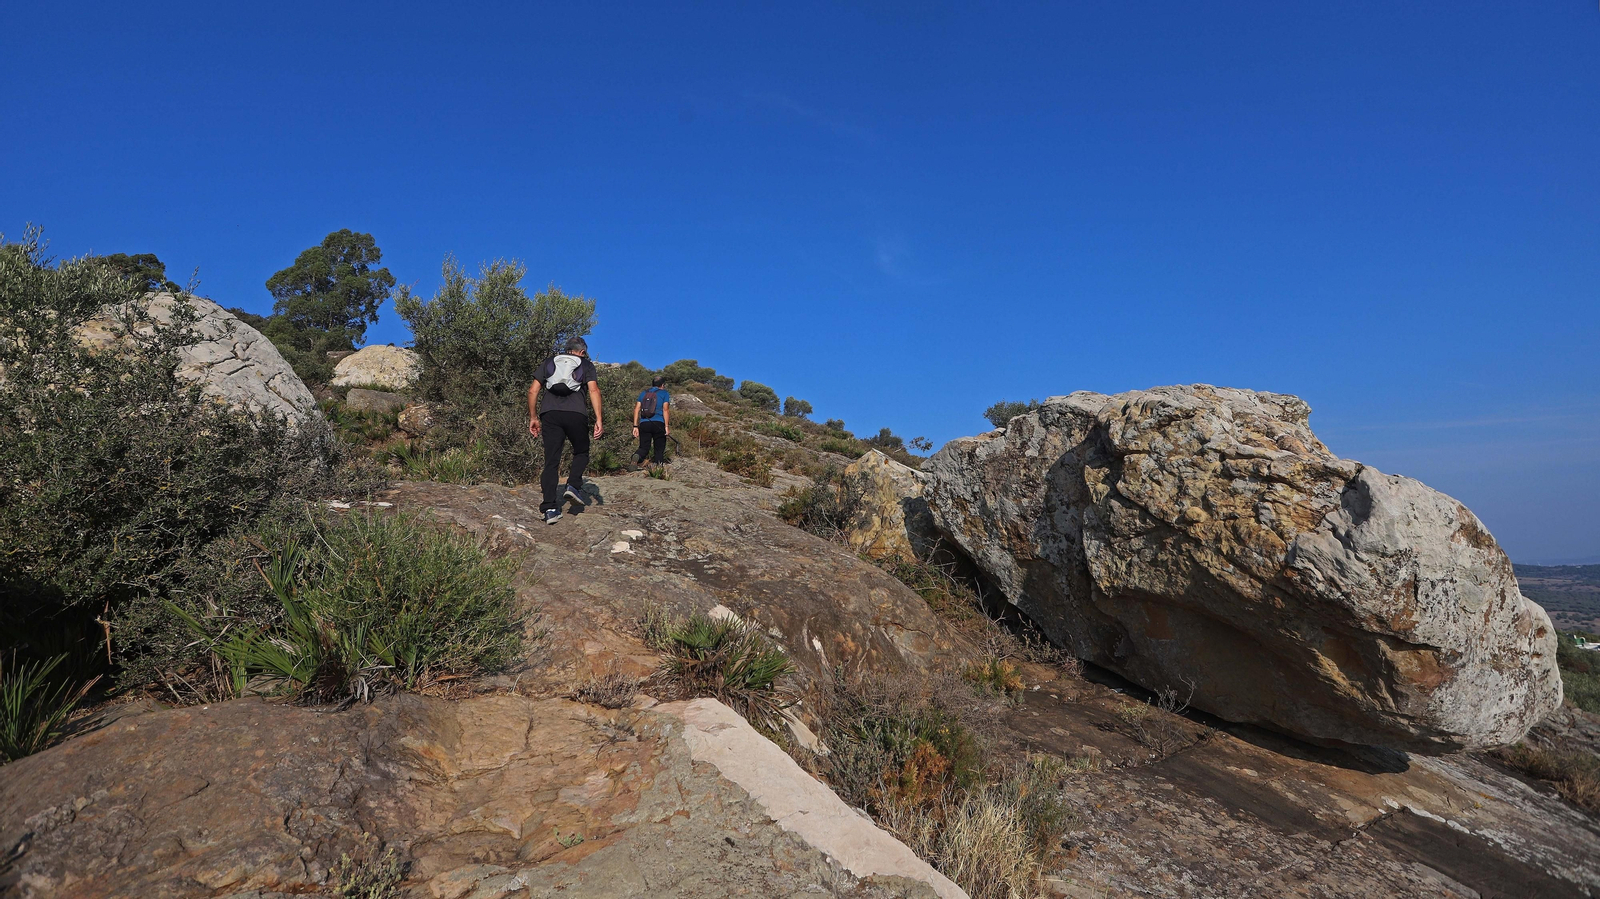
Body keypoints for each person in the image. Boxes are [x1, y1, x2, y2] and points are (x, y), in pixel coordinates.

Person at [528, 337, 602, 524]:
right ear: (582, 352)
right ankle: (573, 484)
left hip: (550, 413)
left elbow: (533, 391)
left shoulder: (549, 362)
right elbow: (594, 391)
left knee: (551, 460)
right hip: (576, 413)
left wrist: (533, 417)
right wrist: (598, 419)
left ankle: (550, 508)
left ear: (566, 350)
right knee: (582, 451)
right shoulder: (586, 365)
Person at [632, 376, 670, 471]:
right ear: (662, 385)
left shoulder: (643, 393)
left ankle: (637, 456)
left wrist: (635, 426)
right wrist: (666, 426)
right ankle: (658, 468)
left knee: (644, 447)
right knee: (659, 448)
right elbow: (665, 410)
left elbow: (636, 409)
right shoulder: (664, 393)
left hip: (644, 423)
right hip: (659, 423)